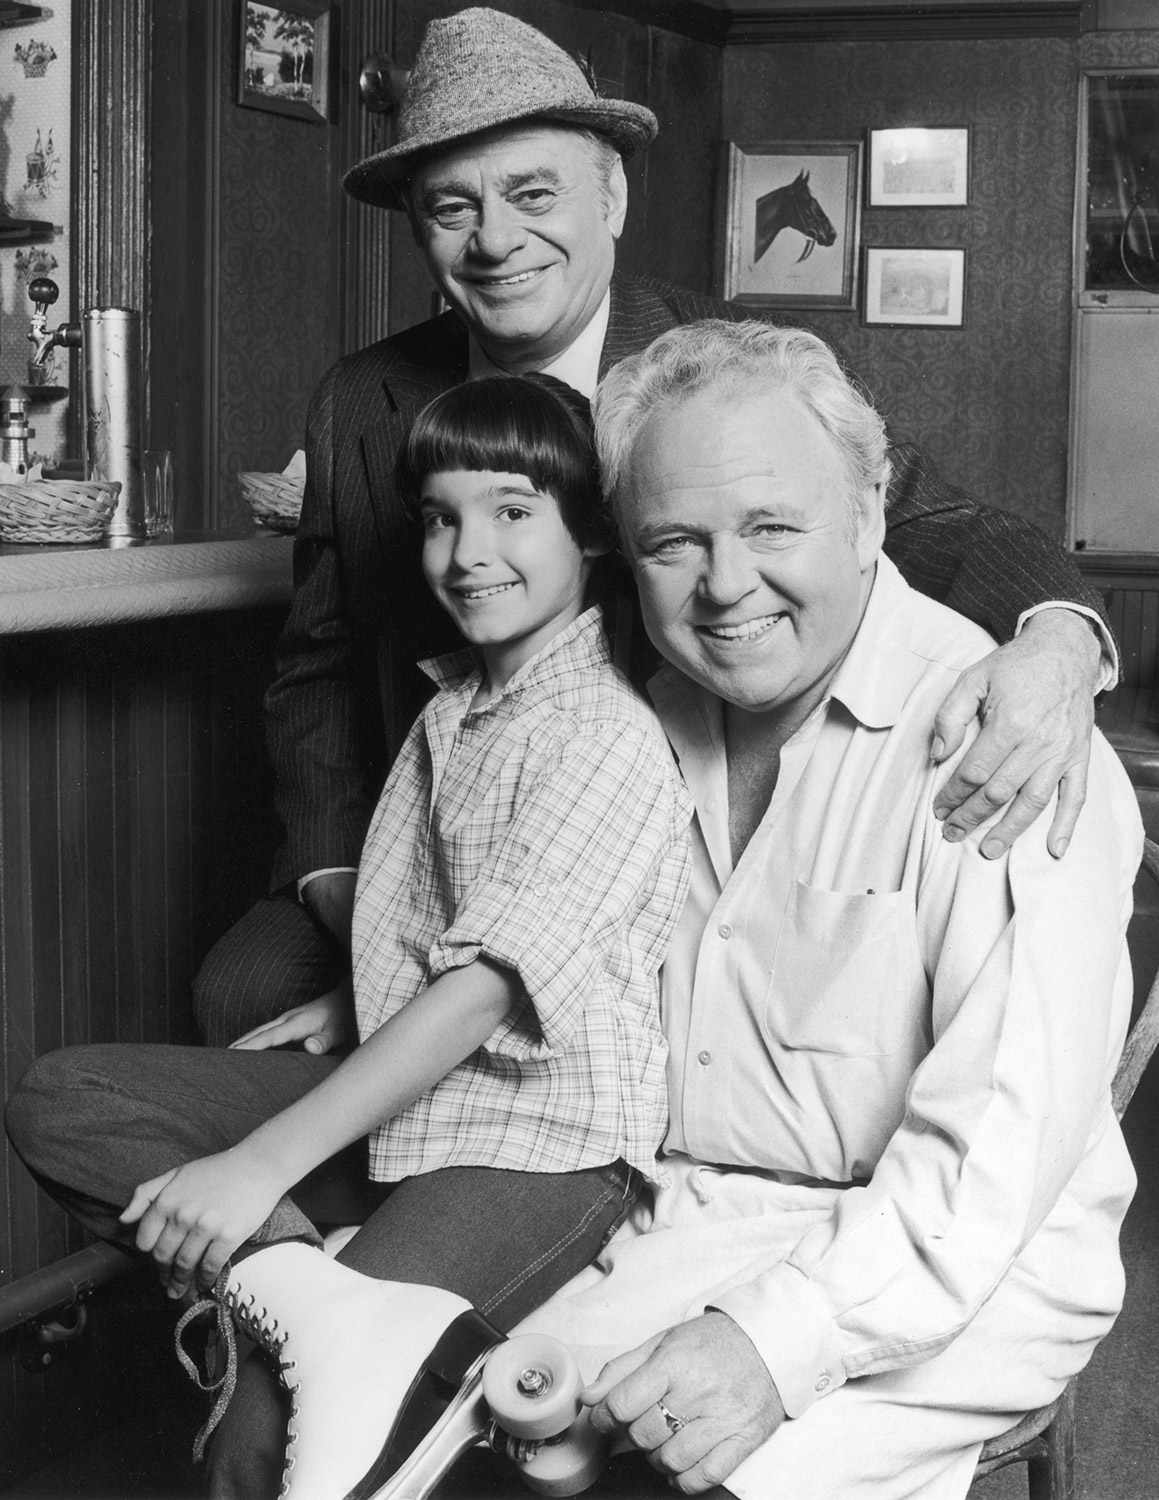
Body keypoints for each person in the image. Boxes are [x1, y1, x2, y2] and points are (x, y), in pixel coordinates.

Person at [192, 6, 1115, 1050]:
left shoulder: (726, 362)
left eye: (533, 194)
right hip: (434, 844)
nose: (495, 241)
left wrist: (1060, 637)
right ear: (414, 227)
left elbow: (938, 520)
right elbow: (314, 668)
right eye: (453, 208)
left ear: (612, 195)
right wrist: (340, 874)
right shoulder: (359, 401)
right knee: (244, 995)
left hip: (659, 846)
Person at [5, 373, 692, 1500]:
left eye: (513, 510)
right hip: (416, 1102)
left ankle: (297, 1316)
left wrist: (257, 1168)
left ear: (592, 536)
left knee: (269, 1423)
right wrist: (356, 993)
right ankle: (305, 1296)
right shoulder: (457, 704)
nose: (468, 551)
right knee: (65, 1100)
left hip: (536, 1146)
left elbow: (481, 994)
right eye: (439, 517)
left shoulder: (599, 733)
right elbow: (454, 929)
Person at [499, 319, 1141, 1500]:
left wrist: (768, 1342)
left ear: (871, 514)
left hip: (961, 1251)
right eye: (674, 542)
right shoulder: (616, 720)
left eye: (772, 528)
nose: (727, 584)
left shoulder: (1001, 746)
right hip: (682, 1209)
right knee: (477, 1439)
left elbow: (991, 1155)